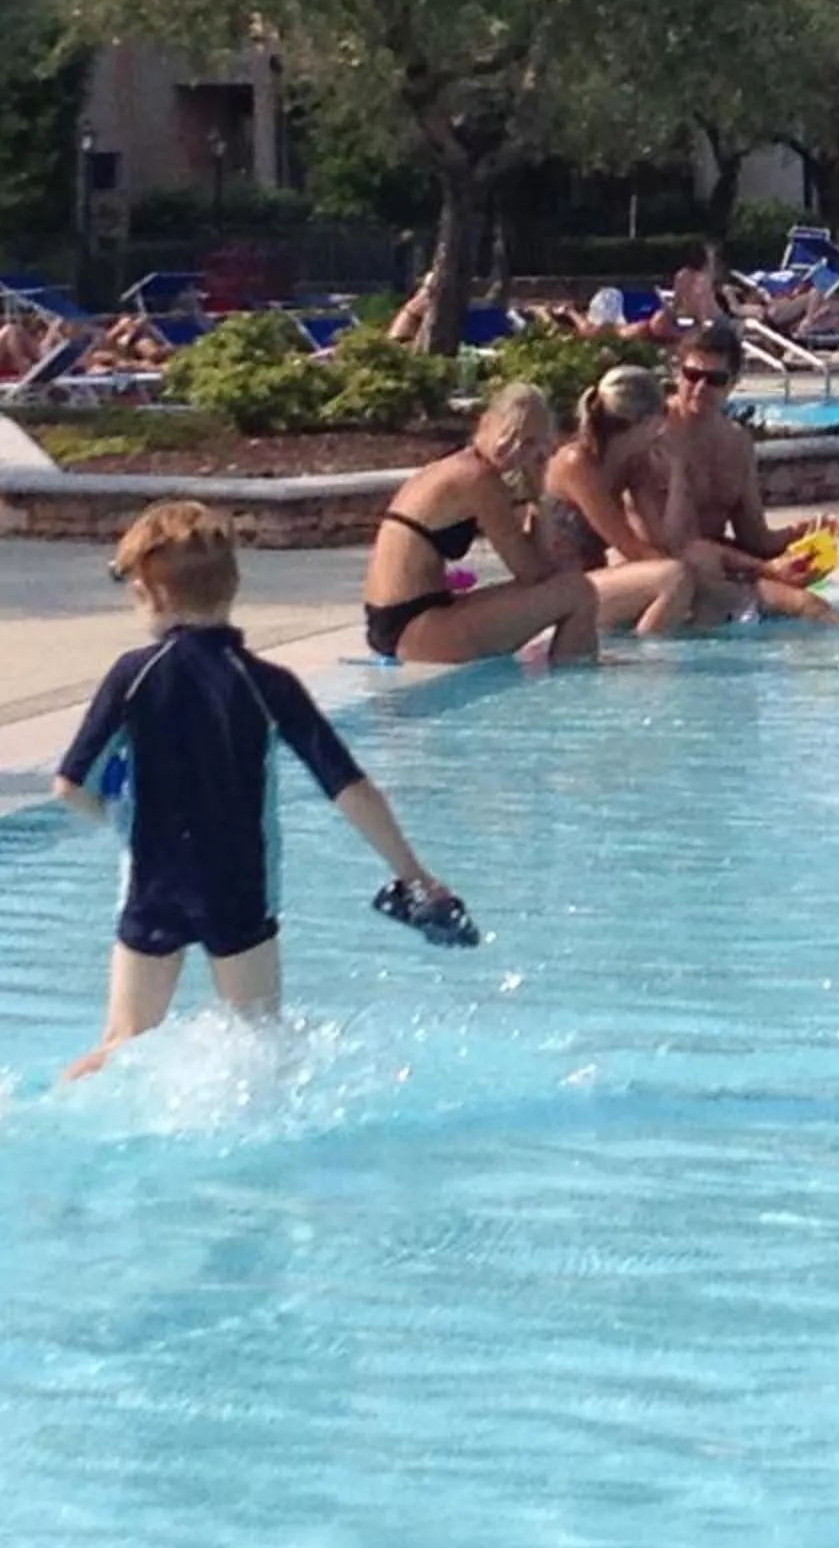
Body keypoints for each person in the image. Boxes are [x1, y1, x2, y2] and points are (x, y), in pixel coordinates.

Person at [55, 501, 463, 1081]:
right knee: (263, 1049)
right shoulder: (267, 682)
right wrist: (414, 873)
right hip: (239, 886)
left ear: (152, 592)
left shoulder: (133, 674)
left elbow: (69, 786)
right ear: (233, 585)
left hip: (155, 881)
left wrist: (123, 820)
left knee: (122, 1042)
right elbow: (348, 787)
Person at [361, 382, 601, 665]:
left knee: (568, 585)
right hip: (411, 629)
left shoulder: (456, 464)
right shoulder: (478, 480)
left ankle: (574, 670)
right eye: (509, 436)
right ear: (486, 423)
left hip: (400, 618)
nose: (513, 450)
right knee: (578, 593)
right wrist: (540, 501)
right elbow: (531, 572)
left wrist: (538, 492)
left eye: (528, 443)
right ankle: (573, 685)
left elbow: (538, 572)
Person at [653, 321, 839, 624]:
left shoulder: (737, 442)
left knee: (813, 611)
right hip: (668, 571)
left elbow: (755, 536)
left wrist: (801, 533)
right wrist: (765, 569)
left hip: (725, 569)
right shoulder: (654, 434)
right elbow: (676, 541)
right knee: (810, 608)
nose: (701, 388)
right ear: (677, 372)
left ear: (733, 383)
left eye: (714, 379)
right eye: (692, 375)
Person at [533, 364, 703, 635]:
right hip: (555, 590)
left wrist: (678, 471)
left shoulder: (635, 464)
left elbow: (663, 541)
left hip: (590, 581)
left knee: (692, 570)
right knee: (675, 578)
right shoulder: (576, 464)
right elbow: (631, 549)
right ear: (648, 422)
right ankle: (644, 663)